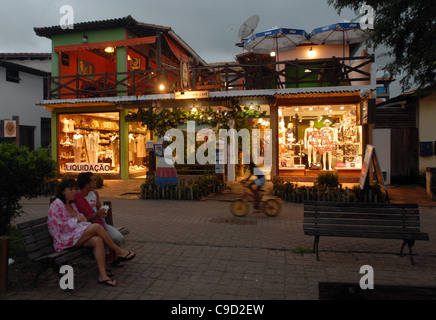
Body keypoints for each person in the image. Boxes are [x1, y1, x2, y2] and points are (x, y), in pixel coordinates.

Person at [47, 179, 135, 287]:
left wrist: (80, 219)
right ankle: (118, 251)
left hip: (75, 234)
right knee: (96, 227)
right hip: (63, 239)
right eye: (70, 189)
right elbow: (58, 226)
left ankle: (102, 276)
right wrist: (77, 220)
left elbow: (81, 217)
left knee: (98, 240)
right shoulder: (56, 205)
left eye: (74, 189)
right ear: (62, 192)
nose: (74, 191)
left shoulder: (72, 204)